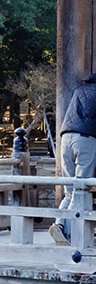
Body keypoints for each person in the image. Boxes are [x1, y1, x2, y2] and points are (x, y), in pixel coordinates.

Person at [50, 74, 96, 245]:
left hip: (66, 138)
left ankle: (59, 224)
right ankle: (69, 234)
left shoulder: (79, 91)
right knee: (80, 189)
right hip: (85, 139)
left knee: (70, 191)